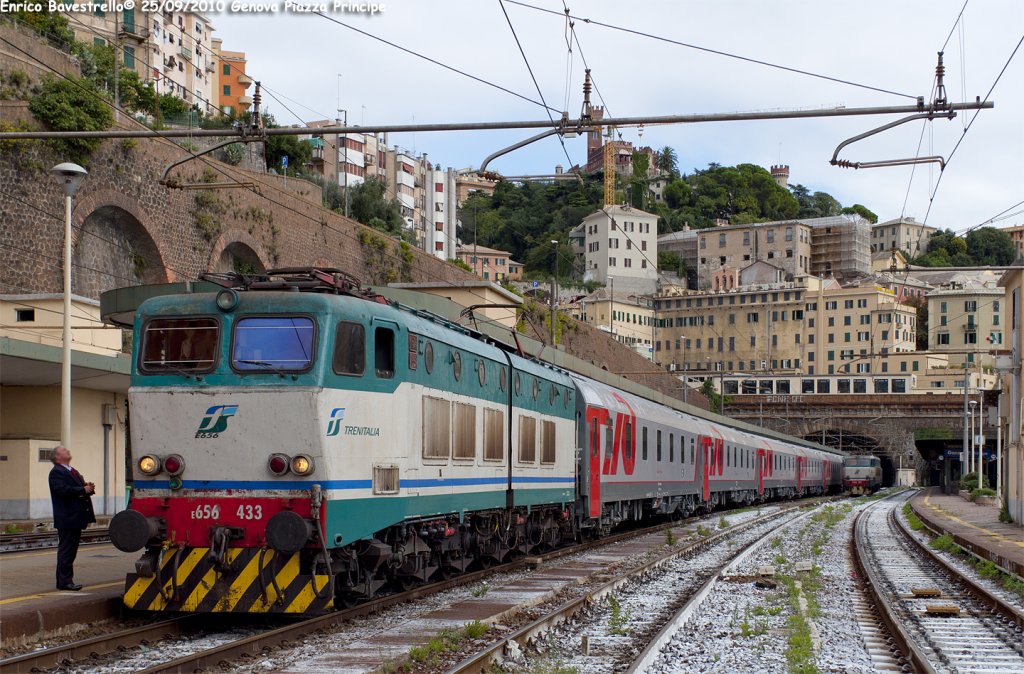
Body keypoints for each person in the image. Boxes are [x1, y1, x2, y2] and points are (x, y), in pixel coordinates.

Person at [48, 445, 96, 591]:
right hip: (67, 518)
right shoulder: (57, 472)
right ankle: (64, 582)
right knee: (66, 551)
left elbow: (74, 489)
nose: (67, 450)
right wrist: (83, 489)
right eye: (63, 450)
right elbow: (62, 490)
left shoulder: (71, 470)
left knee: (71, 551)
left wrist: (87, 488)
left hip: (75, 517)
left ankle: (65, 580)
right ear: (57, 457)